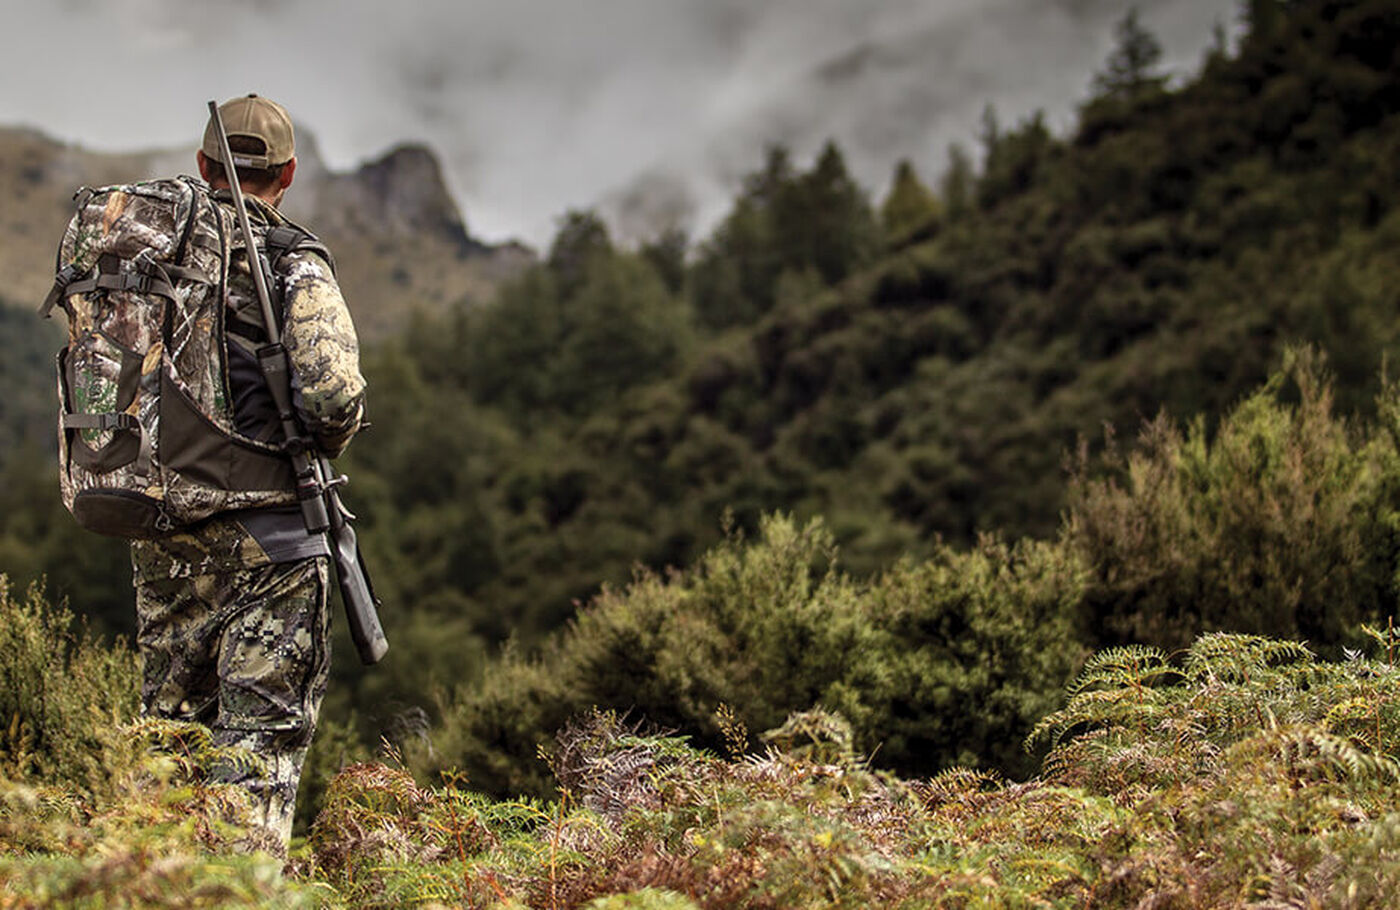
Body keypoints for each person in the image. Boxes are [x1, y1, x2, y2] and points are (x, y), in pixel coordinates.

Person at [130, 94, 366, 854]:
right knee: (256, 754)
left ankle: (149, 893)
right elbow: (333, 393)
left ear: (205, 166)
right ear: (289, 173)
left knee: (167, 748)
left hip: (166, 535)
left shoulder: (153, 257)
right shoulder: (291, 258)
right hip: (274, 546)